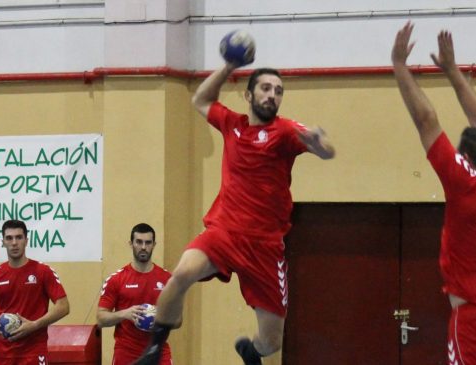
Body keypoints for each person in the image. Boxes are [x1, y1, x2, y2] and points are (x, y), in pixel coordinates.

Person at [134, 48, 336, 365]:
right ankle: (153, 350)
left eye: (279, 91)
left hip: (266, 247)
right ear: (248, 94)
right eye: (266, 88)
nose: (273, 95)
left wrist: (318, 144)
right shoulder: (232, 124)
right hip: (224, 233)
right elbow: (200, 99)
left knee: (271, 342)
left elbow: (327, 152)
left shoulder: (283, 131)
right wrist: (229, 65)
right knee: (181, 273)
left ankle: (251, 352)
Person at [392, 22, 476, 365]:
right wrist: (453, 71)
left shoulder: (464, 182)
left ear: (465, 158)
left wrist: (399, 67)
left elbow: (426, 120)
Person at [0, 220, 70, 365]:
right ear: (3, 242)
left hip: (33, 354)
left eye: (19, 237)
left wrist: (35, 325)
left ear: (26, 241)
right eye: (9, 238)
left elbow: (63, 306)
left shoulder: (43, 271)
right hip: (2, 356)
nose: (14, 243)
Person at [98, 224, 176, 364]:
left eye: (148, 242)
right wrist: (125, 313)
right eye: (139, 242)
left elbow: (178, 320)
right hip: (126, 353)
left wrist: (161, 318)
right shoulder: (117, 279)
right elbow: (101, 319)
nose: (143, 247)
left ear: (154, 245)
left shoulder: (167, 279)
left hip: (158, 351)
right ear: (131, 244)